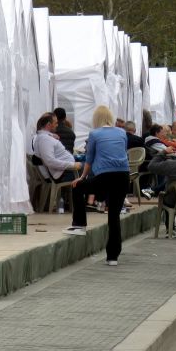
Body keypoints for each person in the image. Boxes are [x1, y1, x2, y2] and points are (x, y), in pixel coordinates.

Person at [65, 105, 130, 267]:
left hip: (105, 176)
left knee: (78, 188)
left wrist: (81, 178)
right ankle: (113, 256)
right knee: (114, 216)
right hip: (123, 176)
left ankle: (79, 224)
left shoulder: (94, 134)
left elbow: (89, 159)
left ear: (96, 119)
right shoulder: (122, 132)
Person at [33, 113, 82, 185]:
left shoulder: (44, 137)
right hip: (64, 173)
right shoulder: (45, 140)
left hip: (64, 171)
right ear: (49, 125)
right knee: (90, 170)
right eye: (55, 123)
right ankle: (86, 196)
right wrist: (72, 165)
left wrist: (51, 135)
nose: (57, 125)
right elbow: (50, 161)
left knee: (89, 165)